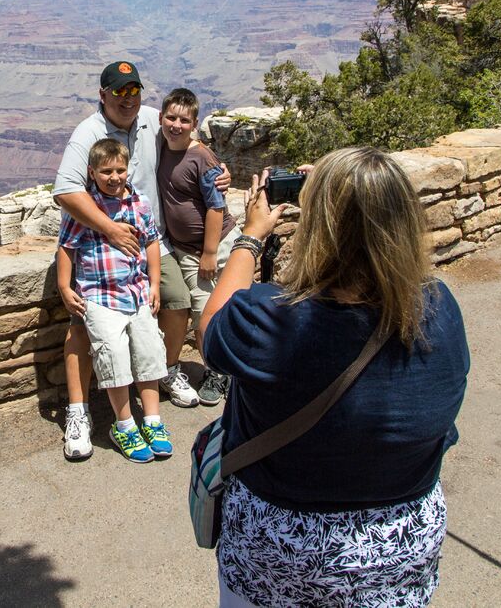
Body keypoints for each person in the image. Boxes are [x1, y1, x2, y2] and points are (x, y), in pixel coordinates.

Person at [199, 148, 469, 608]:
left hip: (280, 550)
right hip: (400, 548)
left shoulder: (273, 320)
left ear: (319, 227)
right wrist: (344, 188)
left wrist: (250, 237)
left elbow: (211, 331)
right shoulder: (440, 310)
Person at [53, 61, 225, 460]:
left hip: (150, 239)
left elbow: (187, 136)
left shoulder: (150, 119)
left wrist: (217, 171)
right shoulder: (88, 133)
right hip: (98, 245)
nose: (127, 100)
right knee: (83, 325)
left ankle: (161, 372)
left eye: (133, 92)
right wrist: (110, 229)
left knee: (177, 302)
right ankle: (78, 412)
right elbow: (64, 191)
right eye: (119, 92)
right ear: (103, 94)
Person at [56, 138, 172, 462]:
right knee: (113, 353)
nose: (114, 177)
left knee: (150, 348)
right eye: (106, 171)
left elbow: (151, 241)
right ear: (92, 172)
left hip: (136, 290)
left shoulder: (139, 204)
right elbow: (66, 248)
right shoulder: (85, 209)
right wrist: (65, 287)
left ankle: (152, 420)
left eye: (120, 170)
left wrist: (154, 283)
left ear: (128, 169)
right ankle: (124, 424)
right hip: (99, 294)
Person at [156, 88, 238, 406]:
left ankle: (219, 374)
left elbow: (216, 208)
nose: (176, 125)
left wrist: (209, 252)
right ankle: (223, 369)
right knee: (206, 309)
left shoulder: (201, 156)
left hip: (212, 246)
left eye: (184, 120)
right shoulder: (161, 144)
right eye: (171, 118)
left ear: (195, 123)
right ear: (162, 117)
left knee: (214, 312)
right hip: (188, 249)